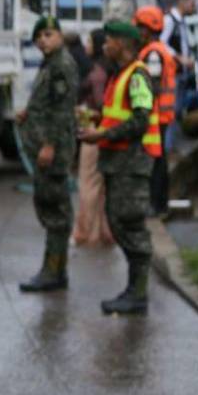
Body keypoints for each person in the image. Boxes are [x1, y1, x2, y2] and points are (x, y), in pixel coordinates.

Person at [77, 22, 161, 316]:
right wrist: (97, 118)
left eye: (109, 40)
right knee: (118, 221)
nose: (104, 46)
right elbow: (120, 115)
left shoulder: (137, 76)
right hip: (119, 162)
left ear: (123, 44)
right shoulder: (121, 74)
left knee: (130, 225)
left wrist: (102, 134)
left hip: (132, 162)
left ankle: (137, 294)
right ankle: (133, 290)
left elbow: (140, 120)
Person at [17, 16, 79, 292]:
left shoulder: (61, 65)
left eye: (49, 34)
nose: (43, 40)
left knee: (55, 211)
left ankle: (53, 272)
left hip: (54, 149)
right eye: (39, 36)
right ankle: (55, 269)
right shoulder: (50, 63)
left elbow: (62, 110)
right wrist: (28, 113)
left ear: (60, 36)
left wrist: (50, 145)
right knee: (48, 205)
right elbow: (47, 100)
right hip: (45, 145)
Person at [134, 6, 177, 217]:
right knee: (159, 160)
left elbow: (153, 86)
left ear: (148, 29)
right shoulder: (158, 50)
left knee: (156, 161)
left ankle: (157, 204)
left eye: (140, 28)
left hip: (157, 116)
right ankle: (160, 205)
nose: (138, 32)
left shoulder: (153, 53)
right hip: (161, 114)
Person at [73, 29, 114, 246]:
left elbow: (100, 104)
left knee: (88, 182)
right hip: (108, 132)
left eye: (90, 41)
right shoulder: (109, 69)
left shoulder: (96, 73)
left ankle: (85, 231)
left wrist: (83, 113)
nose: (86, 45)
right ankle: (104, 231)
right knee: (102, 186)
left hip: (94, 130)